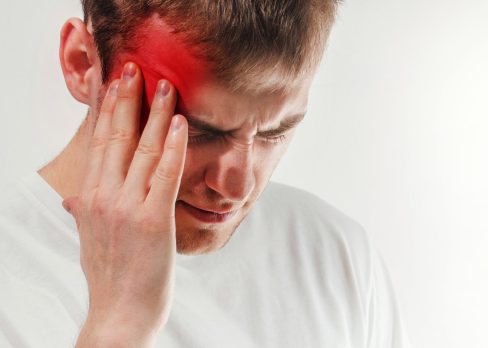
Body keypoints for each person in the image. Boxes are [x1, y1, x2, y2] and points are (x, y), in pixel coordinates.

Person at [0, 0, 407, 347]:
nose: (238, 186)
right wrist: (117, 327)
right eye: (197, 130)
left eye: (275, 132)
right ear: (82, 64)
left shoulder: (335, 256)